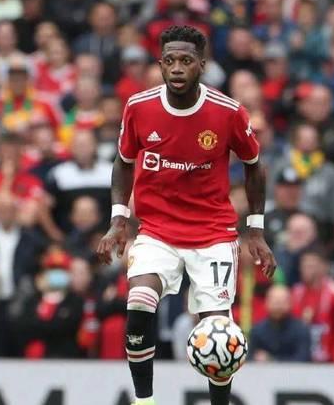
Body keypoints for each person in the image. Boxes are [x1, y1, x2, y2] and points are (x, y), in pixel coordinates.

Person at [96, 26, 275, 405]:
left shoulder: (227, 112)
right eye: (170, 61)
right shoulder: (139, 106)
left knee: (218, 331)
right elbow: (124, 161)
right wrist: (118, 220)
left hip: (214, 234)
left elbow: (254, 165)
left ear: (202, 66)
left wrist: (256, 230)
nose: (177, 68)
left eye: (186, 61)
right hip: (157, 231)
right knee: (139, 299)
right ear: (160, 64)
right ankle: (145, 401)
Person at [18, 250, 84, 358]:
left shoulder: (75, 301)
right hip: (35, 358)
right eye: (53, 269)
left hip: (66, 357)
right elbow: (24, 325)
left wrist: (42, 325)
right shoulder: (34, 299)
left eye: (62, 270)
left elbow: (69, 327)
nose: (57, 273)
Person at [290, 250, 334, 362]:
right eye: (303, 266)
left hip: (328, 358)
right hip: (301, 357)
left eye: (311, 266)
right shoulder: (296, 292)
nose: (306, 270)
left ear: (323, 267)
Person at [250, 285, 312, 363]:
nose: (278, 307)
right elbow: (249, 358)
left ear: (290, 303)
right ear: (266, 303)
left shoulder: (301, 330)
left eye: (282, 302)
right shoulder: (257, 331)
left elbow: (303, 359)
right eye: (275, 302)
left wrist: (272, 359)